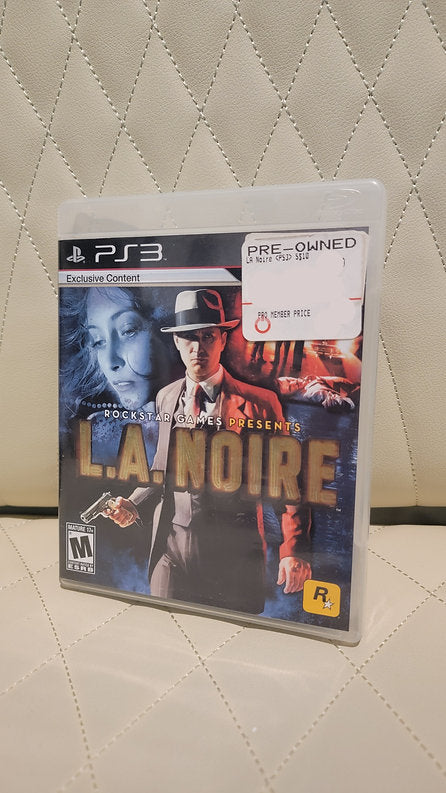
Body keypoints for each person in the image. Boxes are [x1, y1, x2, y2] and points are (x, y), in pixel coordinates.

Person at [105, 288, 312, 614]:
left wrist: (293, 550)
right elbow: (162, 468)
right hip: (171, 551)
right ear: (176, 341)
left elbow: (287, 483)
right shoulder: (166, 397)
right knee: (163, 625)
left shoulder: (260, 403)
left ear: (223, 339)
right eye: (189, 337)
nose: (198, 347)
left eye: (207, 336)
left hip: (233, 554)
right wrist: (132, 503)